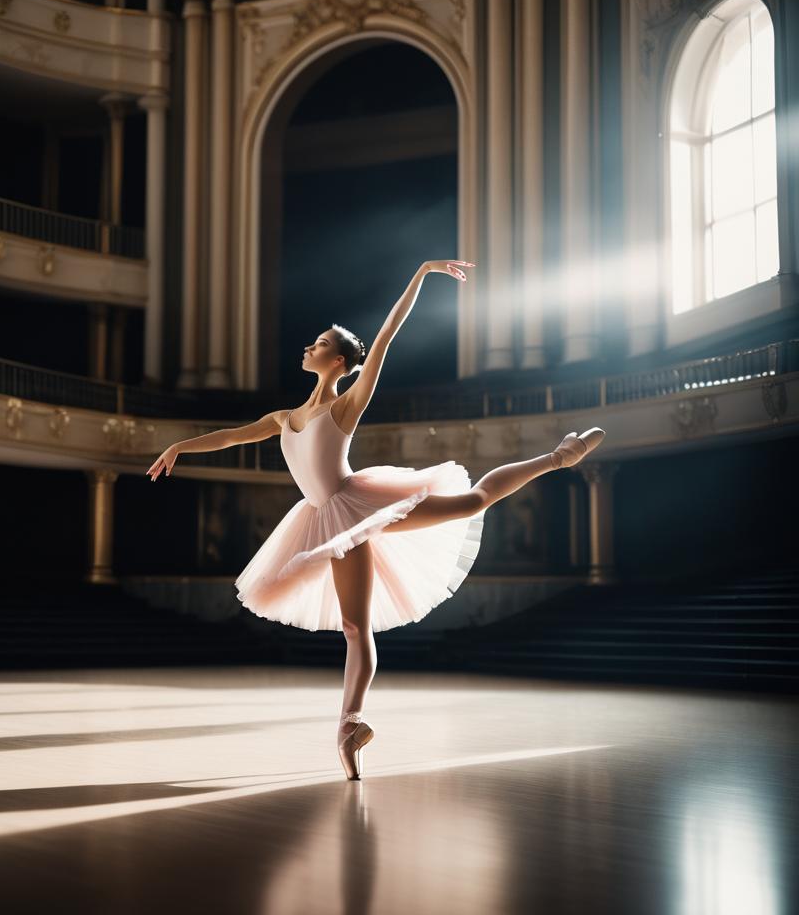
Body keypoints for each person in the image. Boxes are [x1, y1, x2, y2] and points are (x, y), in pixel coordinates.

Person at [147, 260, 605, 780]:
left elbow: (386, 335)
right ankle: (351, 727)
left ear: (338, 361)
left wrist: (424, 272)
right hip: (323, 518)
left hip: (357, 505)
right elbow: (231, 435)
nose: (308, 347)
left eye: (318, 343)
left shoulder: (346, 405)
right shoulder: (282, 418)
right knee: (353, 626)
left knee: (470, 504)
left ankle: (558, 458)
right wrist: (180, 446)